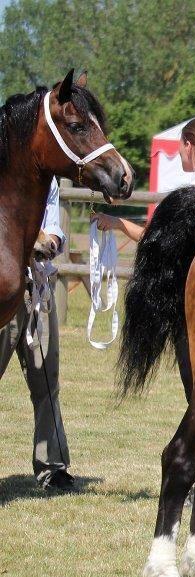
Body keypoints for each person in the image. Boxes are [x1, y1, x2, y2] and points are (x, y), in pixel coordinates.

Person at [92, 117, 195, 508]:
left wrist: (116, 223)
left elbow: (155, 240)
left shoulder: (192, 192)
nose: (177, 151)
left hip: (194, 306)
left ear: (189, 146)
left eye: (179, 145)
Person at [0, 178, 73, 491]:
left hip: (36, 288)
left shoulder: (48, 180)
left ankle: (53, 467)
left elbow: (52, 228)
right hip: (3, 288)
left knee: (46, 380)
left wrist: (51, 241)